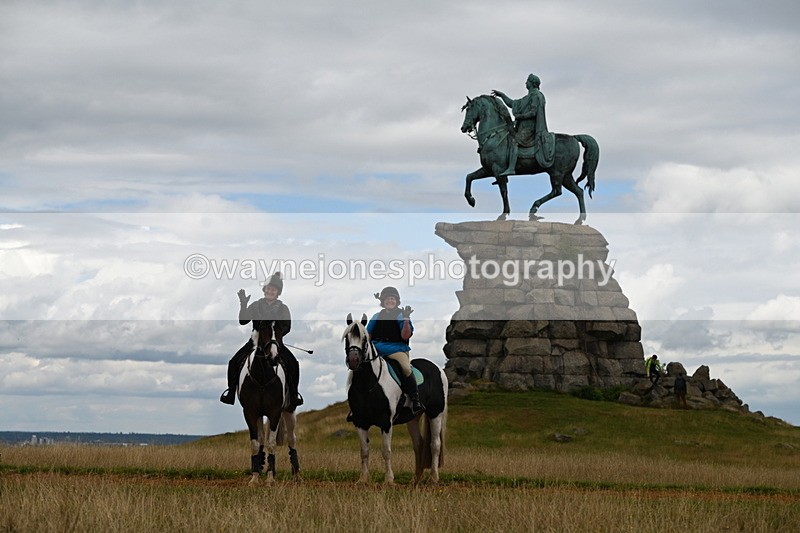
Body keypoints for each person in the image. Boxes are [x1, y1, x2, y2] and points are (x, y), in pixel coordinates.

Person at [219, 272, 303, 408]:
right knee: (234, 362)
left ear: (278, 293)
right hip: (255, 342)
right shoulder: (256, 305)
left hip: (276, 343)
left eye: (274, 289)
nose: (270, 291)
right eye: (268, 288)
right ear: (264, 290)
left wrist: (274, 335)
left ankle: (294, 395)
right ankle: (231, 393)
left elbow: (287, 327)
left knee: (293, 363)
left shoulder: (283, 308)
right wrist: (243, 305)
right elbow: (243, 320)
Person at [366, 286, 424, 415]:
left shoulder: (400, 315)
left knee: (406, 368)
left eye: (392, 299)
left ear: (397, 301)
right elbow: (368, 334)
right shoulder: (376, 316)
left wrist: (406, 320)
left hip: (396, 350)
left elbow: (405, 336)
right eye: (387, 299)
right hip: (376, 351)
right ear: (383, 301)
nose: (390, 301)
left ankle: (415, 399)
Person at [491, 73, 554, 176]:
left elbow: (533, 112)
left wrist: (520, 116)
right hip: (523, 127)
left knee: (514, 141)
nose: (526, 83)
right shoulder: (528, 97)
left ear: (532, 83)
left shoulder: (536, 96)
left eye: (527, 81)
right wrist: (502, 95)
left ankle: (511, 168)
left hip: (530, 128)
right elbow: (512, 104)